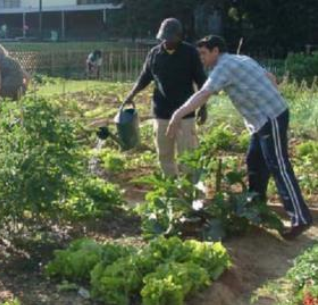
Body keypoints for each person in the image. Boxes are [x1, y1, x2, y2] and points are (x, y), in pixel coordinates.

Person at [166, 35, 314, 240]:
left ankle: (301, 218)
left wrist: (177, 114)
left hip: (270, 117)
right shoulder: (241, 59)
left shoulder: (223, 67)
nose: (201, 58)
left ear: (216, 51)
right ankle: (256, 209)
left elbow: (203, 94)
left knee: (278, 165)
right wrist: (268, 95)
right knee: (254, 162)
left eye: (203, 53)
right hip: (263, 120)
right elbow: (270, 77)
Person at [122, 18, 207, 177]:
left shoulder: (190, 53)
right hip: (161, 112)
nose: (167, 42)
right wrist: (131, 95)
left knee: (188, 154)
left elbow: (201, 80)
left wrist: (203, 107)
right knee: (164, 154)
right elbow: (144, 77)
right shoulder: (155, 54)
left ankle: (191, 190)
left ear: (179, 36)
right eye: (164, 38)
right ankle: (172, 186)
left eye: (171, 38)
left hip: (185, 113)